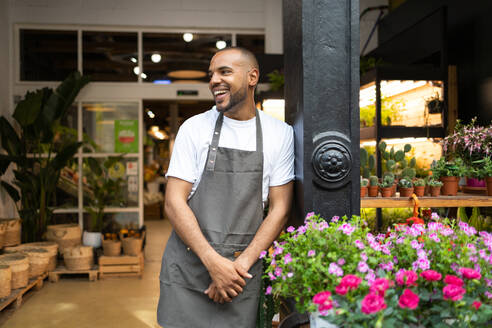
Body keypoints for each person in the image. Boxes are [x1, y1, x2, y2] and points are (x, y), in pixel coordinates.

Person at [157, 47, 294, 328]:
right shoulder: (194, 129)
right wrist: (213, 263)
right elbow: (173, 202)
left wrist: (236, 269)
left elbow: (280, 209)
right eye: (211, 74)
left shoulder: (279, 134)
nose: (214, 80)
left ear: (252, 77)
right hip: (190, 269)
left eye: (225, 72)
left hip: (240, 277)